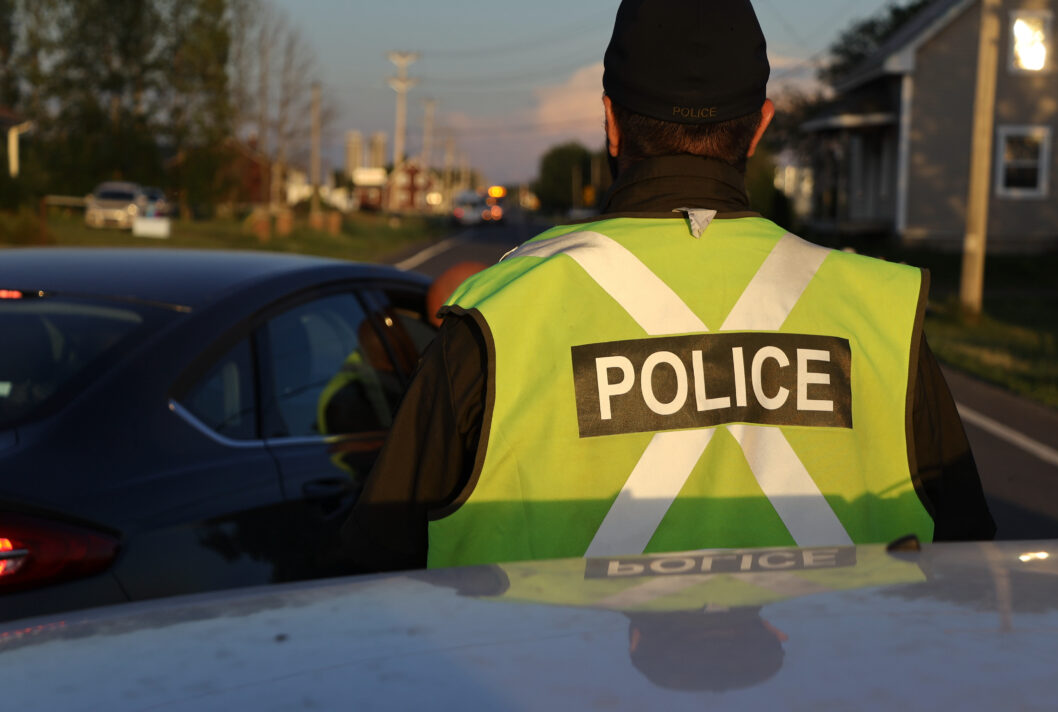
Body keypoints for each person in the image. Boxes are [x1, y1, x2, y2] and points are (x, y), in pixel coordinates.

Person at [342, 0, 995, 573]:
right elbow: (972, 577)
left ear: (611, 122)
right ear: (760, 127)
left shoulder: (497, 319)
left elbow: (365, 583)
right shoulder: (881, 312)